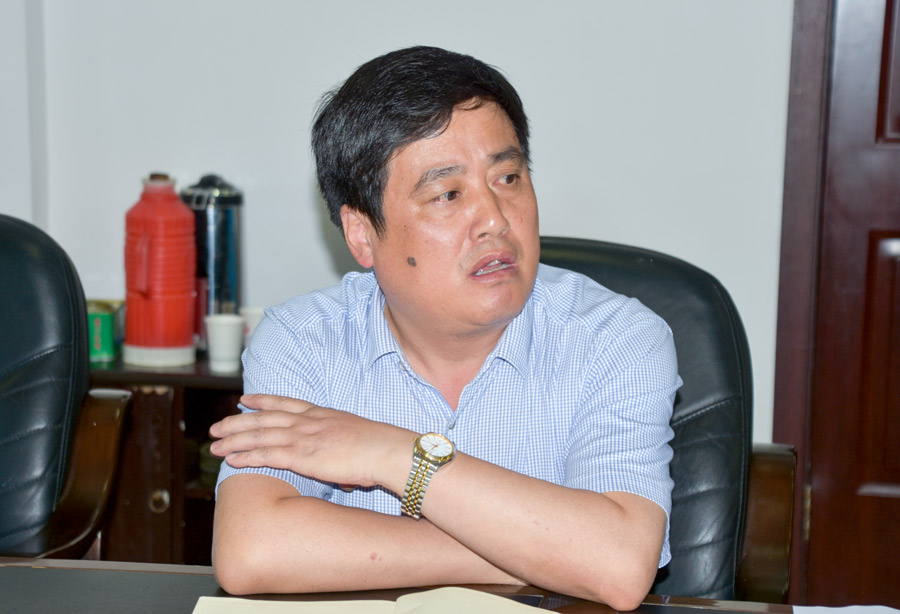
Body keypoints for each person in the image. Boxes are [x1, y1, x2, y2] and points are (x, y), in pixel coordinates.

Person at [209, 46, 680, 610]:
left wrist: (390, 453)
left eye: (508, 177)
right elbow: (251, 550)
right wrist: (542, 554)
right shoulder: (303, 340)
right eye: (447, 194)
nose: (495, 219)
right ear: (362, 235)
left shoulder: (617, 338)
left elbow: (618, 565)